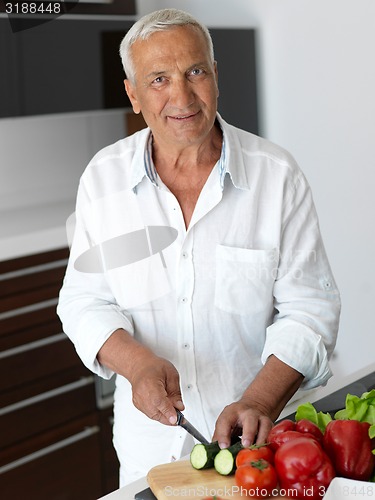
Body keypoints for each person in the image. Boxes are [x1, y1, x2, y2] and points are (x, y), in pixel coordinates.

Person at [57, 8, 341, 486]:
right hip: (149, 453)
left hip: (261, 451)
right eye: (159, 79)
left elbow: (310, 310)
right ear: (133, 94)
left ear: (215, 75)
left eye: (195, 72)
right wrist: (138, 364)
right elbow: (83, 301)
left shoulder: (277, 177)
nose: (181, 96)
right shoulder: (102, 180)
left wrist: (258, 401)